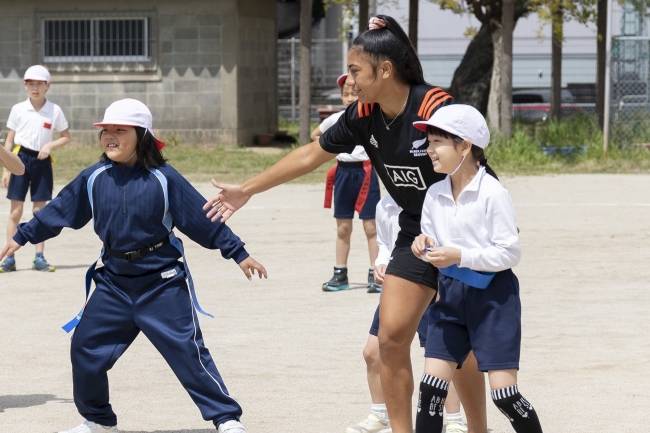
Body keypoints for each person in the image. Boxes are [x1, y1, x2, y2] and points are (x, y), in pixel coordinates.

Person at [203, 15, 488, 433]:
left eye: (356, 70)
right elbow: (310, 155)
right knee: (390, 339)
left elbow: (477, 170)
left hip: (462, 225)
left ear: (384, 69)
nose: (350, 80)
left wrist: (480, 239)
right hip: (416, 230)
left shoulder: (434, 107)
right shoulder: (364, 114)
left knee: (456, 344)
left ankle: (478, 428)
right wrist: (248, 189)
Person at [0, 99, 267, 433]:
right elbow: (61, 210)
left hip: (162, 284)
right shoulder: (94, 177)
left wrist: (238, 252)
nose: (110, 136)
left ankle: (226, 418)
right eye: (106, 131)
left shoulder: (164, 178)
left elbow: (203, 220)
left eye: (119, 130)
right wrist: (22, 236)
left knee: (189, 353)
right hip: (113, 283)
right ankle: (98, 420)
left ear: (141, 135)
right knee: (85, 348)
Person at [411, 104, 543, 433]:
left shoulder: (493, 193)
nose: (429, 150)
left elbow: (509, 253)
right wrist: (422, 243)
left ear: (465, 146)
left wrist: (460, 255)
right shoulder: (434, 194)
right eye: (428, 142)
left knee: (505, 396)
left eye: (437, 142)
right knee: (430, 391)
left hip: (493, 299)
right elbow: (430, 237)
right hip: (448, 298)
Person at [347, 194, 468, 433]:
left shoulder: (430, 200)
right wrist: (380, 263)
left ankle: (454, 419)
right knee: (372, 352)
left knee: (442, 357)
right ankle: (381, 414)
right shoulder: (384, 206)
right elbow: (384, 244)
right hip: (397, 287)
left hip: (429, 285)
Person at [311, 73, 381, 293]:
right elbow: (316, 135)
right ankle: (340, 274)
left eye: (354, 92)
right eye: (345, 94)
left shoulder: (374, 117)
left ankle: (375, 274)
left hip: (366, 172)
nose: (350, 97)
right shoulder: (337, 119)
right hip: (342, 173)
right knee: (343, 227)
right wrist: (335, 146)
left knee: (371, 227)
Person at [1, 65, 71, 273]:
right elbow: (10, 139)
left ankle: (39, 257)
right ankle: (9, 258)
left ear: (47, 86)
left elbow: (66, 137)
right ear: (25, 85)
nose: (35, 88)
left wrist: (49, 145)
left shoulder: (54, 110)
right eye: (31, 84)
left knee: (39, 211)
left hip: (42, 162)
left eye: (39, 84)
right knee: (15, 211)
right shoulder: (18, 109)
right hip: (19, 160)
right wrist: (5, 169)